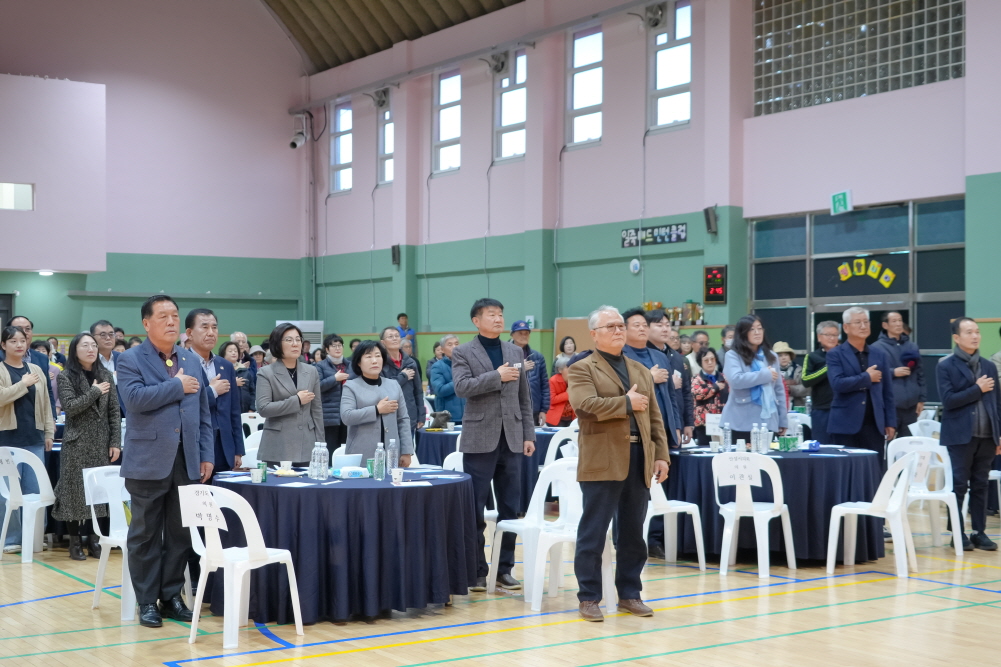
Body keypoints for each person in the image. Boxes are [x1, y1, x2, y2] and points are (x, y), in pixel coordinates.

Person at [567, 305, 669, 622]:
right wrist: (626, 402)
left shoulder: (639, 370)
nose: (617, 330)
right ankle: (588, 597)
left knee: (633, 534)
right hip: (602, 458)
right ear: (594, 334)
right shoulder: (582, 368)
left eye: (620, 325)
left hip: (639, 457)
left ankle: (630, 593)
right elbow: (584, 405)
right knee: (593, 532)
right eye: (610, 326)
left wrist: (661, 454)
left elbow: (654, 417)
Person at [117, 295, 213, 628]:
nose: (171, 321)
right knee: (144, 534)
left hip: (186, 459)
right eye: (163, 316)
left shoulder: (190, 359)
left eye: (174, 315)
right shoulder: (130, 359)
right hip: (147, 459)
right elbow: (134, 400)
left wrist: (206, 455)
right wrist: (176, 385)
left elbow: (203, 413)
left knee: (180, 533)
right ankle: (147, 601)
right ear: (147, 323)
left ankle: (171, 596)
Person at [452, 298, 536, 592]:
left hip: (511, 438)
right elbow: (462, 387)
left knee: (511, 507)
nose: (498, 319)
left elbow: (524, 397)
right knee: (475, 507)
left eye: (500, 314)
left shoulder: (514, 351)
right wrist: (496, 376)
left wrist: (528, 434)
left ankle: (504, 569)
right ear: (476, 321)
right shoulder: (463, 352)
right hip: (479, 438)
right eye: (492, 314)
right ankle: (476, 570)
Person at [53, 332, 121, 560]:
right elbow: (70, 407)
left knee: (98, 493)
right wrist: (94, 392)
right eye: (85, 345)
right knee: (74, 493)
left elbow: (114, 411)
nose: (91, 349)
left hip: (101, 443)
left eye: (93, 345)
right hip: (76, 443)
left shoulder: (105, 375)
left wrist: (115, 442)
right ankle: (74, 542)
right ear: (75, 350)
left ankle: (94, 540)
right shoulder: (66, 376)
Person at [938, 317, 1001, 551]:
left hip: (987, 435)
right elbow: (949, 401)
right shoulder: (946, 365)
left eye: (977, 331)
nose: (975, 336)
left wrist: (998, 433)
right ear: (956, 338)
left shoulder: (988, 365)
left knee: (981, 484)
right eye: (969, 332)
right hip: (959, 435)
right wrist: (977, 389)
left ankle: (979, 532)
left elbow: (997, 403)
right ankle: (957, 533)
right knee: (959, 485)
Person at [0, 324, 55, 554]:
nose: (19, 345)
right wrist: (23, 384)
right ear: (3, 345)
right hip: (6, 439)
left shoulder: (36, 369)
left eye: (22, 340)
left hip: (34, 438)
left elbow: (46, 404)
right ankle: (11, 538)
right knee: (8, 493)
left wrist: (49, 431)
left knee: (35, 490)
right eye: (13, 341)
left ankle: (34, 536)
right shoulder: (1, 369)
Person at [827, 307, 895, 467]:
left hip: (874, 424)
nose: (863, 326)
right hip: (845, 423)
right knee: (845, 470)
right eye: (858, 322)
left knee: (874, 469)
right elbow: (837, 384)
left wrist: (890, 421)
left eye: (866, 322)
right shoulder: (835, 354)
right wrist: (866, 378)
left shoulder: (879, 354)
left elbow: (887, 392)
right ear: (846, 327)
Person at [255, 323, 324, 466]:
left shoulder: (311, 371)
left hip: (307, 444)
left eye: (298, 339)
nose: (295, 344)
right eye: (289, 340)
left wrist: (321, 445)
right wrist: (296, 401)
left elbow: (316, 410)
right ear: (277, 343)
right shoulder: (266, 372)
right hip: (277, 446)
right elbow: (263, 408)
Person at [185, 309, 244, 473]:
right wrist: (211, 392)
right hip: (196, 445)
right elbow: (185, 407)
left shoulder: (226, 365)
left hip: (225, 446)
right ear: (189, 333)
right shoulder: (182, 364)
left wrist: (238, 449)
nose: (211, 333)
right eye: (204, 327)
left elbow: (234, 410)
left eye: (214, 327)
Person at [340, 340, 413, 464]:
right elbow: (347, 416)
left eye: (378, 356)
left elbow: (403, 419)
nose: (374, 361)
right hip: (361, 454)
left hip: (392, 453)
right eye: (368, 357)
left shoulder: (394, 385)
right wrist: (377, 410)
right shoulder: (351, 386)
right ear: (359, 362)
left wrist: (406, 451)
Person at [719, 315, 788, 444]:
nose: (757, 332)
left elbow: (779, 390)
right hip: (740, 421)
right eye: (752, 329)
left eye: (760, 328)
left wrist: (783, 419)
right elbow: (736, 380)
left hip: (768, 421)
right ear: (743, 333)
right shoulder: (733, 355)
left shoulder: (771, 356)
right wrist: (764, 375)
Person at [872, 311, 926, 439]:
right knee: (889, 441)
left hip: (911, 405)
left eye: (900, 320)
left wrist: (922, 399)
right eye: (894, 321)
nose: (898, 324)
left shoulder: (912, 346)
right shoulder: (876, 348)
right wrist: (893, 372)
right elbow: (873, 373)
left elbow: (920, 373)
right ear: (885, 325)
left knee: (909, 442)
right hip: (890, 405)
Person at [646, 310, 693, 445]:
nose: (665, 329)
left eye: (667, 325)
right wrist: (667, 384)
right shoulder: (643, 355)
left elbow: (686, 391)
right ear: (647, 328)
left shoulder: (676, 356)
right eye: (659, 325)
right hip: (654, 422)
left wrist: (688, 423)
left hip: (676, 422)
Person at [0, 316, 56, 418]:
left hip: (35, 419)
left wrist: (52, 418)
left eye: (27, 329)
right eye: (19, 328)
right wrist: (24, 384)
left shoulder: (41, 358)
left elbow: (47, 391)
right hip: (6, 419)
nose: (24, 332)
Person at [379, 327, 425, 432]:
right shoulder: (380, 363)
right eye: (390, 336)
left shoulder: (410, 362)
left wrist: (421, 415)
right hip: (389, 415)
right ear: (383, 342)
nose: (395, 338)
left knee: (409, 442)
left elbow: (418, 391)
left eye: (397, 336)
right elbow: (384, 388)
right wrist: (403, 376)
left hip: (410, 414)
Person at [802, 321, 840, 444]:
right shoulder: (812, 357)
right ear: (819, 337)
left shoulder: (845, 355)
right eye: (828, 335)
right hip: (821, 410)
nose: (832, 338)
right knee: (822, 446)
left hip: (843, 408)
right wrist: (828, 367)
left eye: (835, 335)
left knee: (843, 447)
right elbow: (806, 380)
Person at [510, 320, 549, 426]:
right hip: (511, 409)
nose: (524, 336)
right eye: (520, 333)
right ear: (512, 335)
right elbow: (500, 378)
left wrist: (543, 410)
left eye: (526, 333)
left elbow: (544, 385)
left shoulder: (537, 357)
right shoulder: (504, 354)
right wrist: (520, 368)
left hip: (533, 409)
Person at [317, 333, 351, 453]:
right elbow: (317, 387)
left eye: (340, 345)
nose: (337, 348)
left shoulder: (350, 365)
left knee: (346, 449)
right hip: (329, 415)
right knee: (330, 449)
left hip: (348, 413)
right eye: (333, 346)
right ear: (327, 349)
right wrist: (334, 379)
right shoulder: (320, 366)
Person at [691, 347, 728, 447]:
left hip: (723, 422)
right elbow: (697, 394)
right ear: (700, 362)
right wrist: (715, 387)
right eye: (706, 360)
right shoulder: (696, 379)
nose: (710, 362)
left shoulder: (725, 377)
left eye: (712, 359)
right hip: (704, 424)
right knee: (705, 450)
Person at [430, 335, 464, 423]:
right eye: (450, 344)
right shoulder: (437, 367)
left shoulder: (465, 364)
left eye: (456, 344)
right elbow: (440, 390)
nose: (454, 347)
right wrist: (459, 381)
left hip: (468, 416)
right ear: (442, 349)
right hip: (447, 417)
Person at [219, 341, 255, 413]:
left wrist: (252, 409)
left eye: (235, 351)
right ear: (223, 354)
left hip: (246, 411)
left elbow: (253, 392)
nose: (234, 353)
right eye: (230, 351)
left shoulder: (245, 371)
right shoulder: (219, 371)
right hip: (226, 412)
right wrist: (233, 383)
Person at [773, 341, 809, 409]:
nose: (784, 358)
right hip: (776, 407)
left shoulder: (799, 370)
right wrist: (783, 384)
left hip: (796, 407)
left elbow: (807, 388)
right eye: (780, 355)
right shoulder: (771, 371)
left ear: (790, 356)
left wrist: (790, 389)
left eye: (786, 355)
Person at [545, 358, 576, 427]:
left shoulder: (576, 380)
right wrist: (567, 394)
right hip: (556, 418)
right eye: (568, 367)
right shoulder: (553, 381)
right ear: (560, 370)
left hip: (573, 417)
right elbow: (551, 399)